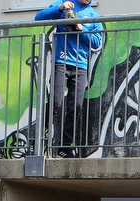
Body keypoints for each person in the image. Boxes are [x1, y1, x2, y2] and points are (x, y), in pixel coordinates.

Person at [35, 1, 103, 158]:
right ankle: (40, 138)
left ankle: (65, 147)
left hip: (81, 65)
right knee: (55, 102)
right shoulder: (65, 3)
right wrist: (60, 8)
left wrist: (80, 28)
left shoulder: (94, 15)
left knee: (76, 106)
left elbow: (96, 42)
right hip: (61, 62)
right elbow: (38, 17)